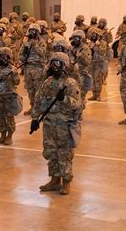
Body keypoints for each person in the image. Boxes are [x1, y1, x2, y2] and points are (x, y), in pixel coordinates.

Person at [31, 52, 81, 195]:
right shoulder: (47, 83)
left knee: (64, 154)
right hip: (49, 124)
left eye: (57, 64)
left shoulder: (70, 84)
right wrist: (35, 118)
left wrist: (64, 98)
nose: (54, 67)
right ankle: (54, 180)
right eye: (52, 63)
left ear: (64, 66)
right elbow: (38, 100)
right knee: (51, 152)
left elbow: (78, 104)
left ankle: (66, 182)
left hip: (64, 125)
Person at [0, 47, 21, 145]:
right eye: (1, 57)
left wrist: (14, 75)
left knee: (9, 117)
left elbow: (17, 82)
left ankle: (9, 136)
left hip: (8, 97)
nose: (3, 59)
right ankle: (2, 135)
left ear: (9, 58)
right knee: (0, 116)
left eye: (6, 57)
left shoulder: (12, 69)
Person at [19, 24, 47, 115]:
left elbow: (43, 53)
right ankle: (32, 107)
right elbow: (20, 54)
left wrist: (35, 45)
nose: (32, 32)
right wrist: (23, 60)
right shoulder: (25, 42)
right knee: (30, 89)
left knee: (38, 89)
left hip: (38, 68)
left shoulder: (42, 42)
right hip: (28, 68)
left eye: (34, 31)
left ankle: (38, 108)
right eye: (31, 30)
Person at [87, 28, 108, 101]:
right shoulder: (90, 43)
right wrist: (91, 46)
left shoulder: (103, 43)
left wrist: (97, 46)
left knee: (97, 79)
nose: (93, 36)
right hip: (91, 63)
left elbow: (102, 53)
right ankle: (94, 94)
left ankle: (98, 95)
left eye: (95, 34)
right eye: (93, 34)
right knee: (92, 79)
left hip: (98, 63)